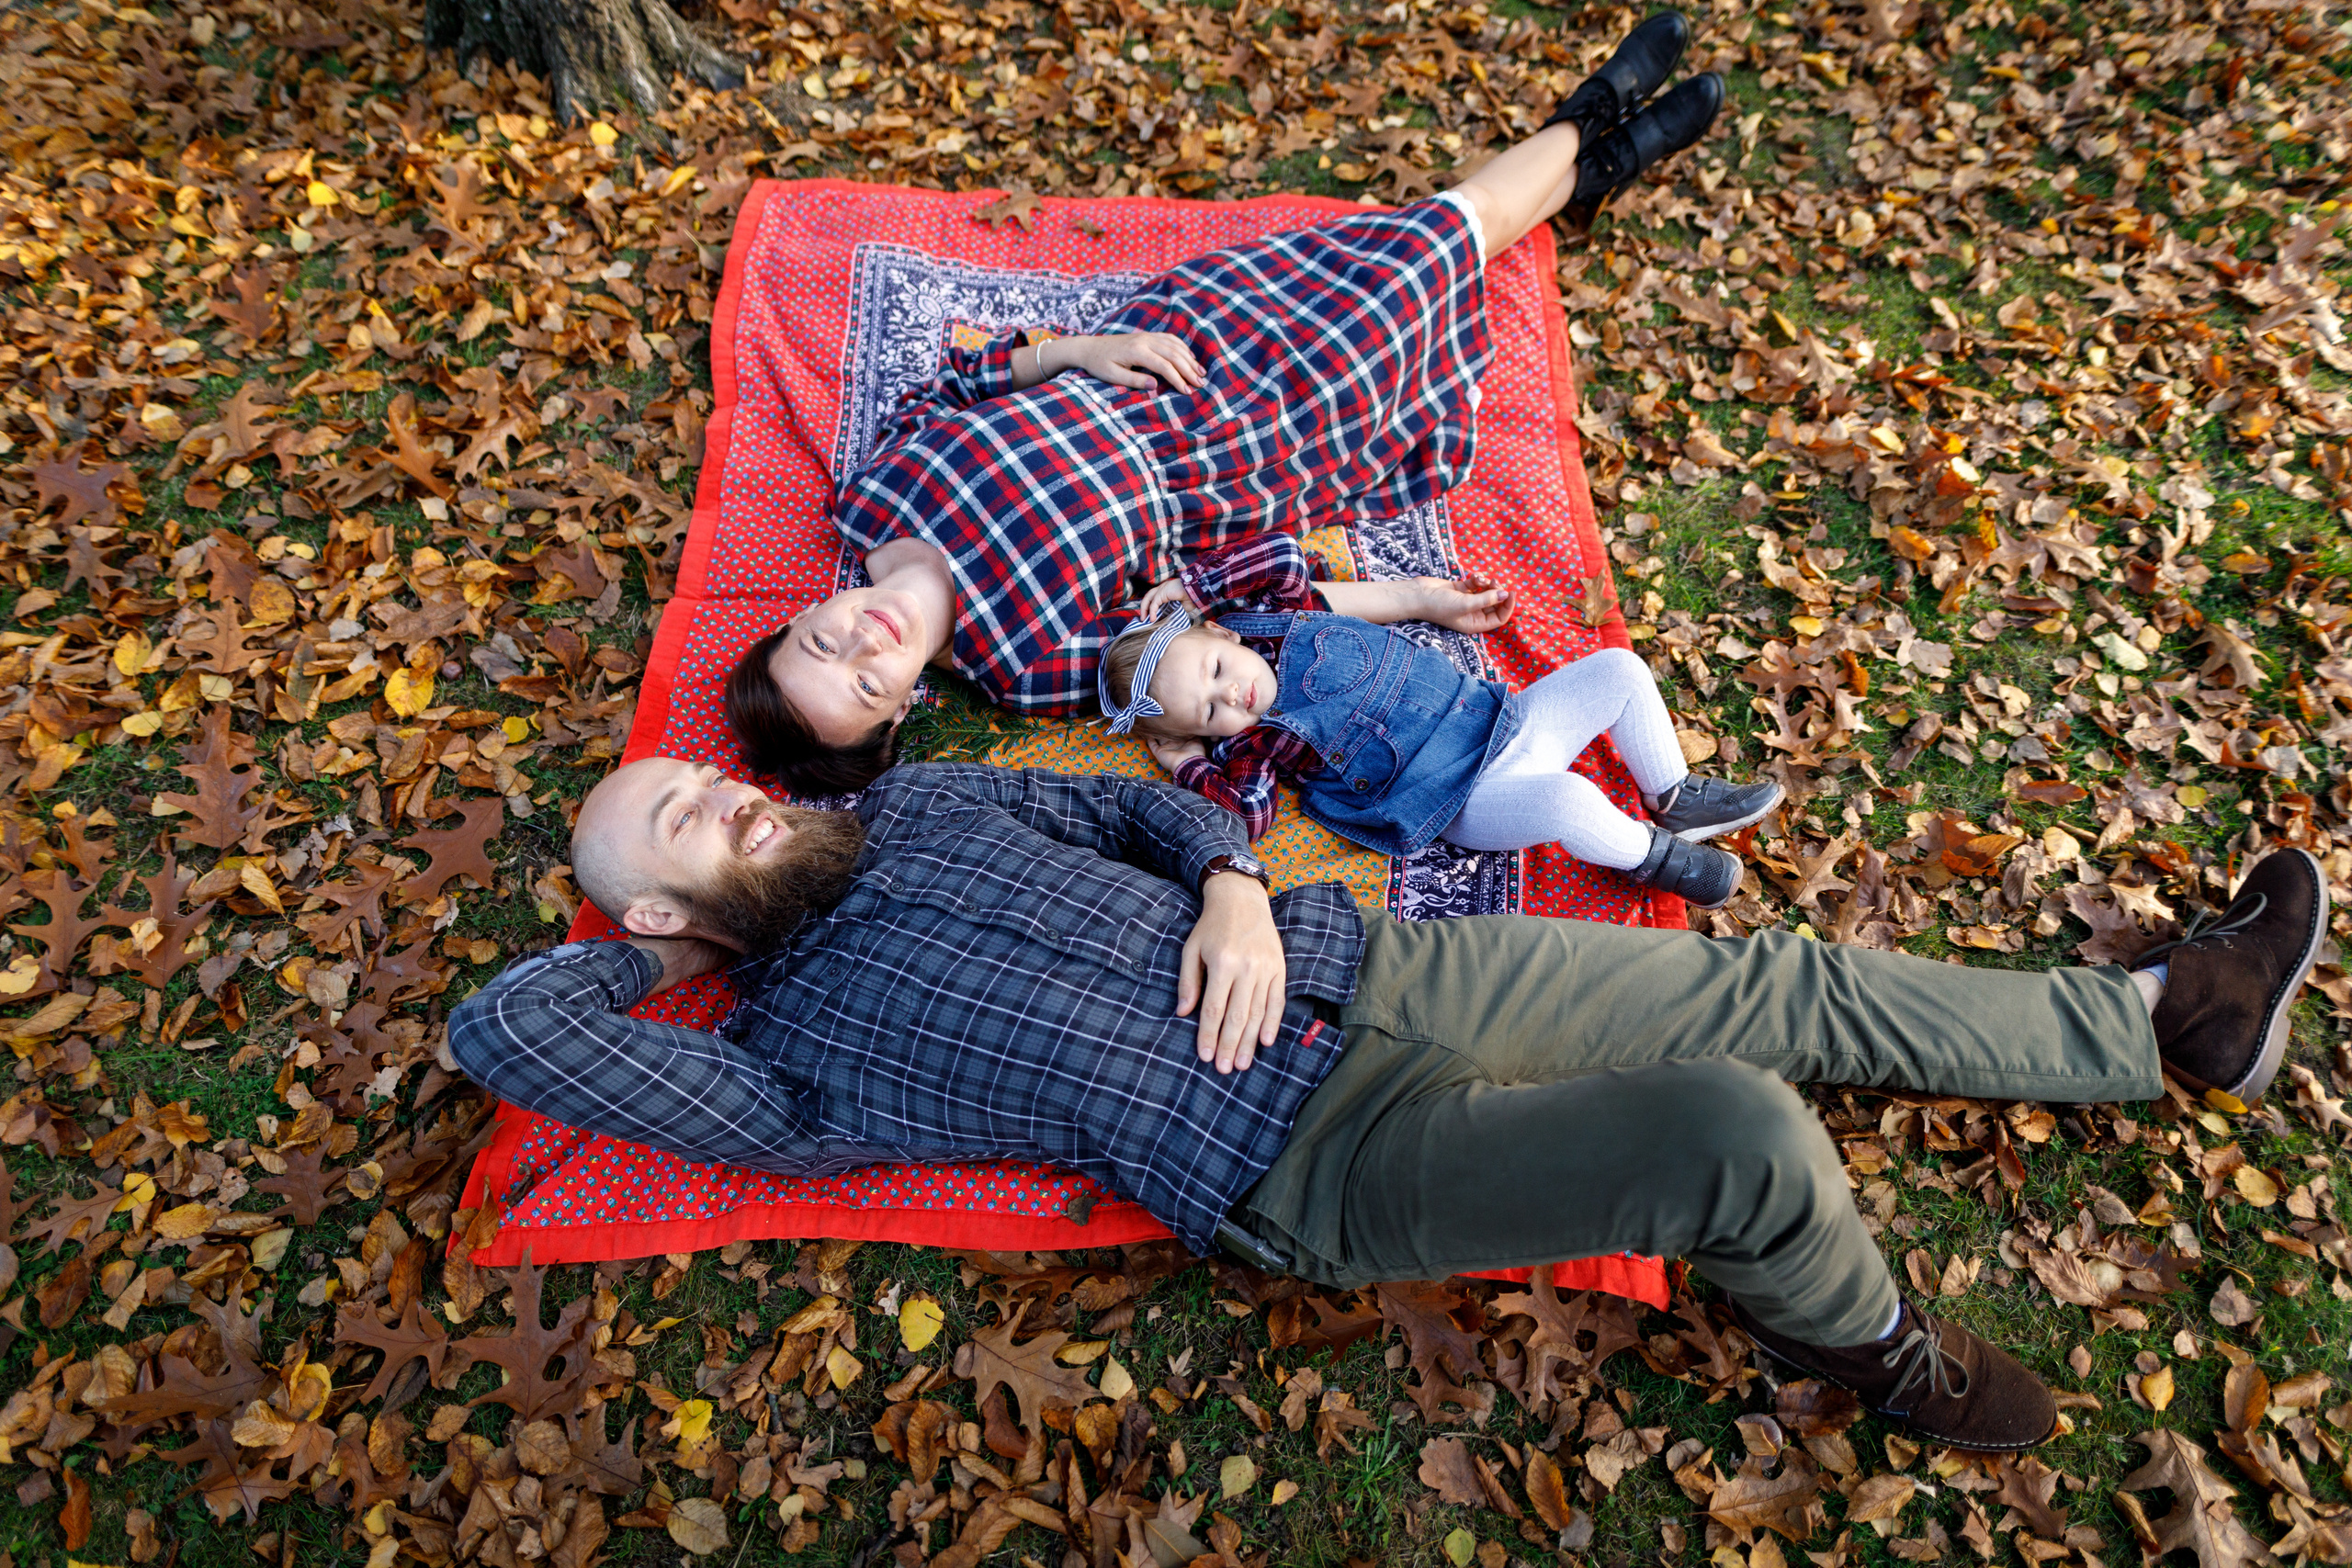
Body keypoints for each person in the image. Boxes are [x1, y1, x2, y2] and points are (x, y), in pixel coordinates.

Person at [452, 755, 2331, 1452]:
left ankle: (2151, 1019)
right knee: (1737, 1126)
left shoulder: (930, 797)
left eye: (706, 775)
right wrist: (676, 940)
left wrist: (1228, 879)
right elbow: (506, 1030)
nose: (723, 793)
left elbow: (1151, 802)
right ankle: (1879, 1356)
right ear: (653, 908)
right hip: (1308, 1156)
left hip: (1377, 969)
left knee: (1771, 979)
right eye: (679, 822)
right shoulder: (783, 1062)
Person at [722, 16, 1725, 794]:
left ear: (811, 611)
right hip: (1247, 449)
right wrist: (1414, 600)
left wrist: (1084, 348)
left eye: (823, 640)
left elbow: (960, 379)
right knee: (1417, 259)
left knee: (1398, 247)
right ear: (898, 713)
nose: (864, 644)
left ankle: (1591, 143)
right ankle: (1594, 136)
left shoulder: (871, 499)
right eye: (864, 686)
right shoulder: (1023, 667)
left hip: (1171, 358)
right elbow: (1233, 621)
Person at [1098, 534, 1782, 906]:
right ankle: (1652, 858)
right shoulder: (1259, 743)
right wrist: (1190, 761)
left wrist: (1195, 584)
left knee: (1619, 671)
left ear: (1223, 636)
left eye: (1218, 674)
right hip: (1463, 797)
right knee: (1571, 800)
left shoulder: (1287, 612)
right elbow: (1247, 815)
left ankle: (1675, 797)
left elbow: (1275, 554)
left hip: (1505, 721)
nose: (1232, 699)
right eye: (1210, 712)